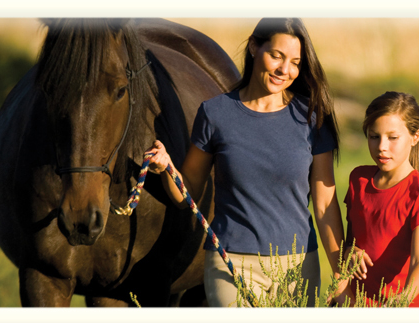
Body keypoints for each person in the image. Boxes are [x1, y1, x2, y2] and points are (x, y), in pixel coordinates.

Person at [146, 17, 346, 307]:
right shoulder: (215, 113)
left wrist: (341, 274)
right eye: (276, 55)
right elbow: (185, 193)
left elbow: (326, 205)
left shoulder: (312, 118)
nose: (284, 70)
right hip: (231, 263)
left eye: (295, 62)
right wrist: (167, 168)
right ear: (254, 47)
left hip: (297, 266)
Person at [339, 91, 419, 307]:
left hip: (403, 306)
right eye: (374, 136)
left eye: (393, 137)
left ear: (415, 137)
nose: (381, 146)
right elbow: (349, 243)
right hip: (358, 304)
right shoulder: (358, 180)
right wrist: (351, 252)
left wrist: (402, 301)